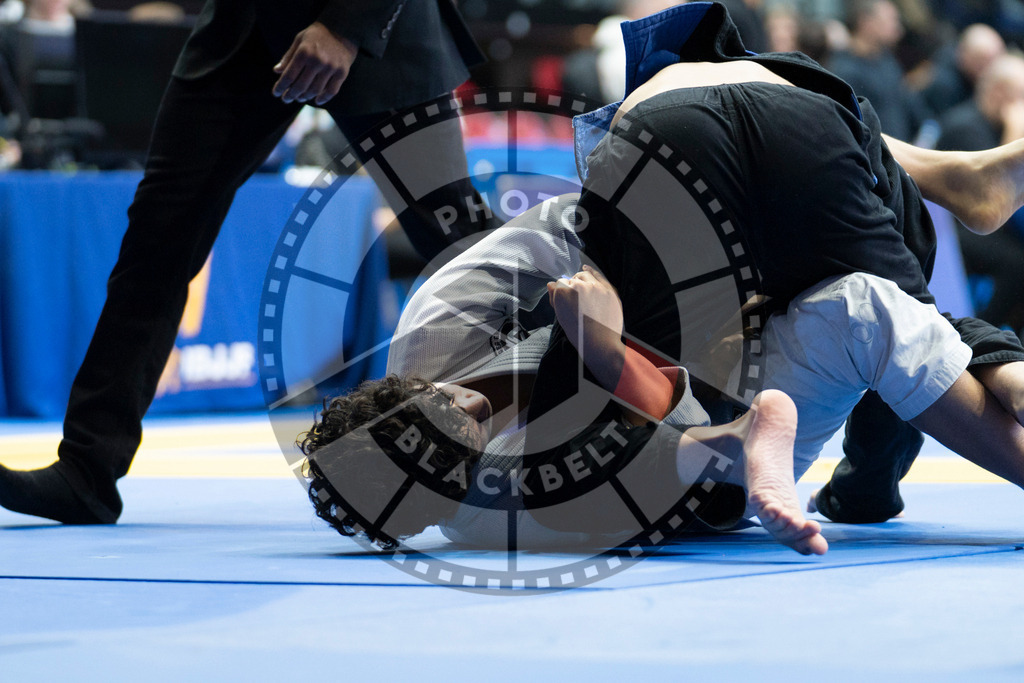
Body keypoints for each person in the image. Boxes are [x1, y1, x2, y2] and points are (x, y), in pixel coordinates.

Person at [298, 2, 1024, 552]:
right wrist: (612, 355)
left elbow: (576, 222)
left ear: (408, 390)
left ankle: (788, 432)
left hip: (673, 175)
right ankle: (998, 349)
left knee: (875, 309)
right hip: (787, 111)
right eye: (465, 442)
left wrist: (631, 299)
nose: (475, 416)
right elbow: (654, 456)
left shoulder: (441, 328)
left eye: (453, 409)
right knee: (879, 307)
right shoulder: (483, 502)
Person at [0, 1, 492, 525]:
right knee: (159, 235)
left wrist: (345, 29)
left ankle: (574, 411)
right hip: (248, 25)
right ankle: (87, 469)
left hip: (375, 26)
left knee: (459, 241)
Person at [936, 53, 1024, 334]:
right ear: (1000, 93)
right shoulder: (965, 126)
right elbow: (995, 189)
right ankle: (982, 334)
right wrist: (1014, 130)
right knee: (1015, 263)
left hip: (974, 221)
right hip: (948, 226)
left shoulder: (987, 124)